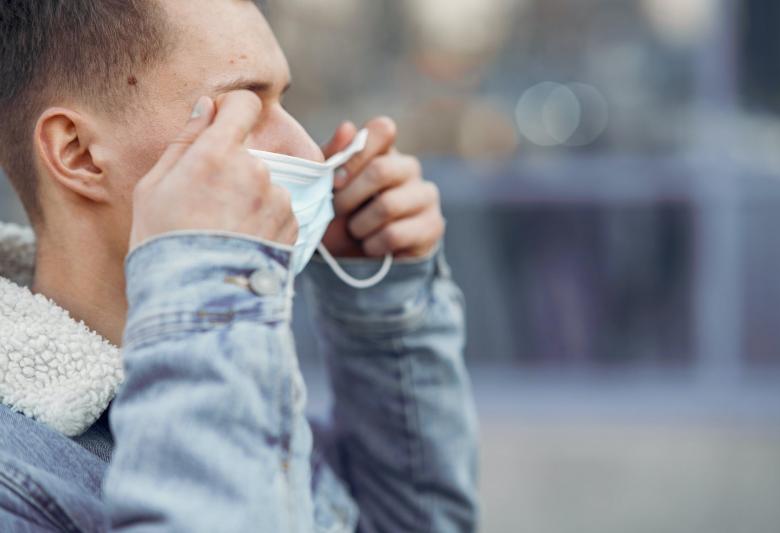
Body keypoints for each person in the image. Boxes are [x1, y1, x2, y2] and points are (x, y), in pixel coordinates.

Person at [0, 1, 478, 531]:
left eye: (283, 102)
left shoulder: (244, 368)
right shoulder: (16, 481)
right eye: (243, 108)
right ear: (78, 152)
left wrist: (382, 305)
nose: (308, 152)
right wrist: (210, 300)